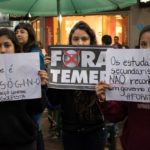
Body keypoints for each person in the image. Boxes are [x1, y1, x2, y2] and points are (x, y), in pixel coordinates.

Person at [46, 21, 106, 150]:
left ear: (91, 41)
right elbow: (54, 101)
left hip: (95, 130)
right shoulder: (61, 66)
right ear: (70, 42)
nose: (80, 43)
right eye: (75, 39)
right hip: (70, 131)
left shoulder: (102, 65)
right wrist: (52, 74)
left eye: (84, 39)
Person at [95, 25, 150, 150]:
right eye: (143, 44)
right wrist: (104, 99)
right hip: (134, 144)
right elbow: (116, 115)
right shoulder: (130, 76)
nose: (147, 49)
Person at [0, 28, 48, 150]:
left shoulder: (27, 72)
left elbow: (38, 108)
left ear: (15, 48)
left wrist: (41, 87)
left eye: (7, 45)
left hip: (23, 141)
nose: (2, 50)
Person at [15, 23, 46, 150]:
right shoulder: (17, 52)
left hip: (33, 101)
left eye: (22, 31)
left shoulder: (34, 53)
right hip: (20, 99)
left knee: (34, 129)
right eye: (16, 32)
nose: (18, 34)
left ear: (30, 34)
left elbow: (39, 78)